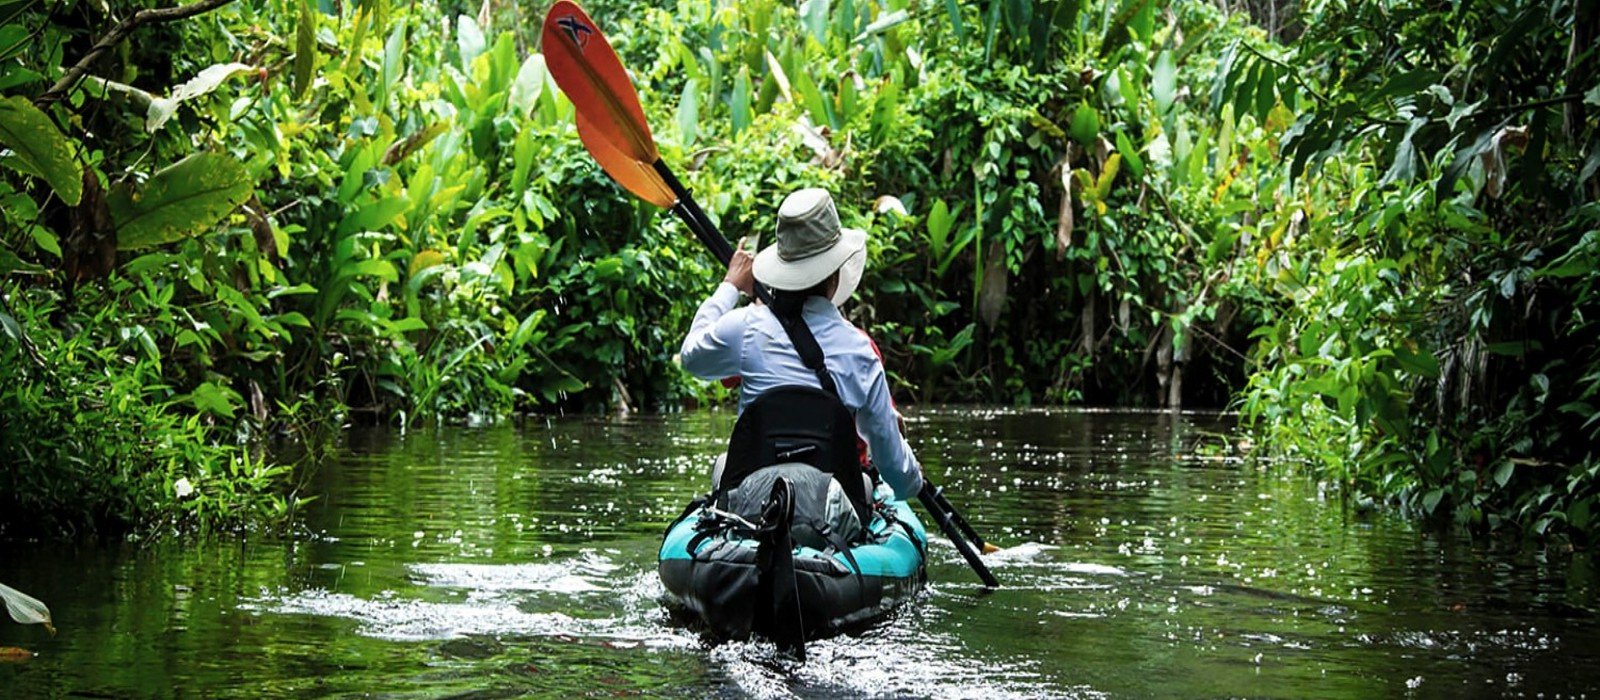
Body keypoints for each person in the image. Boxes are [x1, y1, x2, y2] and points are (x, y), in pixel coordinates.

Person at [679, 188, 924, 503]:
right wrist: (913, 473)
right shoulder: (860, 352)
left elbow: (691, 357)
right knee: (866, 485)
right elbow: (897, 477)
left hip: (756, 506)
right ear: (834, 274)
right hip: (831, 515)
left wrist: (730, 286)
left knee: (723, 466)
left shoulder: (745, 328)